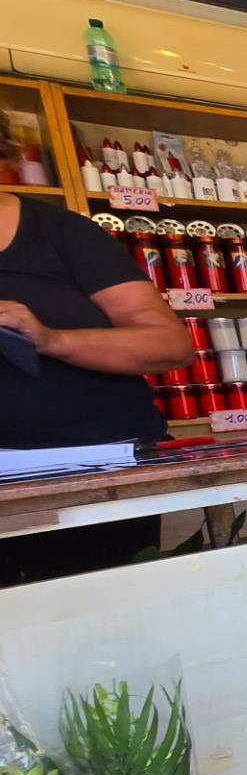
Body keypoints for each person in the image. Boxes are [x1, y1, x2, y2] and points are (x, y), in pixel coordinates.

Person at [0, 191, 193, 581]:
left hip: (92, 479)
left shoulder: (60, 231)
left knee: (101, 606)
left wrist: (50, 339)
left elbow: (171, 344)